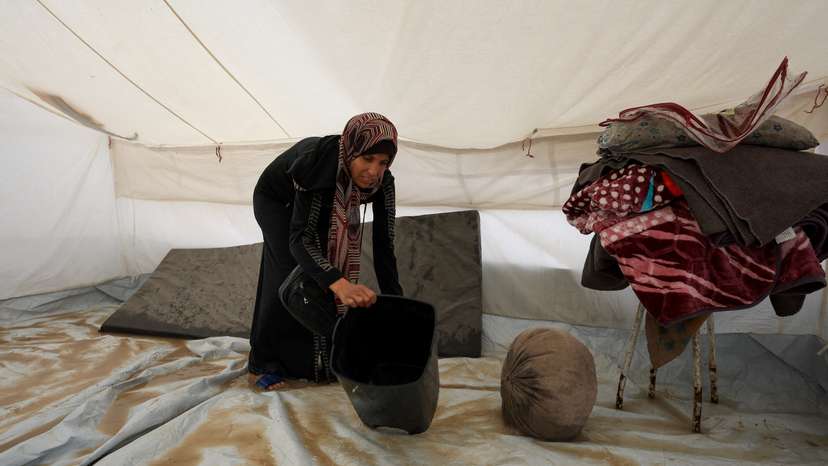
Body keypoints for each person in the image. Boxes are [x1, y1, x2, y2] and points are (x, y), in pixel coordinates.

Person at [248, 112, 403, 390]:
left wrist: (397, 307)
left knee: (320, 270)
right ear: (352, 151)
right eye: (367, 158)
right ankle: (261, 364)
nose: (374, 171)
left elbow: (384, 248)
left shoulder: (384, 183)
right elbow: (299, 241)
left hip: (322, 201)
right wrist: (340, 284)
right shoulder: (317, 166)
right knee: (290, 275)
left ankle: (312, 361)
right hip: (277, 201)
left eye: (383, 162)